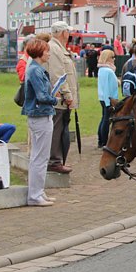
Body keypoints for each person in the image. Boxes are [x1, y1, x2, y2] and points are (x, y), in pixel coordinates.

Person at [22, 39, 58, 206]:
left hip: (41, 115)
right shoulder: (36, 71)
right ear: (39, 52)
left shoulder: (35, 69)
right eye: (46, 51)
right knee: (40, 157)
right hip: (40, 116)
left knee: (40, 157)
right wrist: (55, 99)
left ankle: (38, 192)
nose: (49, 54)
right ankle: (35, 195)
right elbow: (42, 96)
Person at [47, 21, 78, 174]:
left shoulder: (59, 48)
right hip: (59, 100)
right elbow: (58, 75)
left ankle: (57, 159)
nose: (69, 34)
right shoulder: (54, 49)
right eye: (67, 31)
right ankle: (54, 161)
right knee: (57, 129)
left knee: (61, 129)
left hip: (62, 100)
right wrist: (67, 94)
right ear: (63, 32)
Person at [96, 50, 118, 148]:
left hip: (103, 97)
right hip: (108, 98)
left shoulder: (102, 69)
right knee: (106, 120)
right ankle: (104, 141)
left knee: (104, 118)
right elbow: (107, 87)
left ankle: (101, 140)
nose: (114, 59)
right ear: (108, 58)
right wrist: (108, 102)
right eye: (112, 57)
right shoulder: (108, 71)